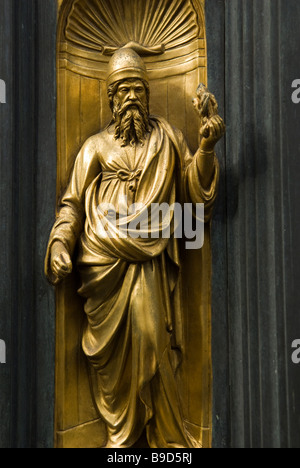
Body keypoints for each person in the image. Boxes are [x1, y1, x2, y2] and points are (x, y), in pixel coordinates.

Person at [45, 48, 224, 448]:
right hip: (102, 266)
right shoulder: (94, 148)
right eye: (122, 90)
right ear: (110, 99)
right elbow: (72, 203)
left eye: (137, 90)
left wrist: (207, 148)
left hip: (149, 265)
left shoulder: (168, 139)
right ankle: (119, 439)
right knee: (112, 367)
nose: (130, 99)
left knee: (151, 336)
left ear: (147, 94)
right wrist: (61, 241)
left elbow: (196, 199)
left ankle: (167, 443)